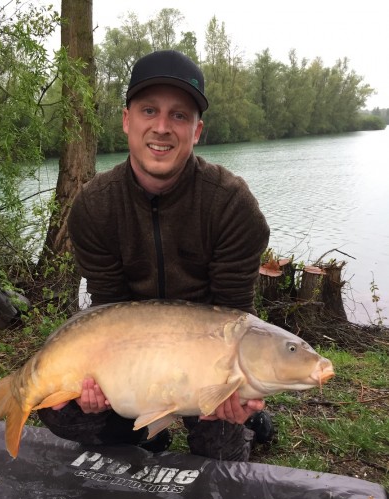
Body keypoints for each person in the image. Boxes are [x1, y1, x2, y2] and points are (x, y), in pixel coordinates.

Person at [38, 50, 274, 461]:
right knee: (63, 411)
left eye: (179, 116)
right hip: (134, 354)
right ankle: (143, 432)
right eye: (149, 110)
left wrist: (234, 386)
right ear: (127, 120)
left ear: (197, 130)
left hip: (203, 358)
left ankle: (248, 421)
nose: (162, 128)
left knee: (221, 447)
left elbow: (235, 317)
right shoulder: (95, 206)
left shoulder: (231, 205)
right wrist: (98, 383)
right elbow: (108, 309)